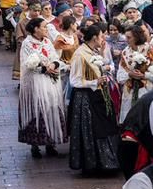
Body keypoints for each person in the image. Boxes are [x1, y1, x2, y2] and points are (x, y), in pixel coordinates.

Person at [66, 20, 120, 173]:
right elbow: (74, 80)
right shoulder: (80, 55)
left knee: (104, 125)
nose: (104, 39)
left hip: (97, 95)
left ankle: (107, 161)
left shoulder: (92, 51)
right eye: (102, 36)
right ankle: (93, 164)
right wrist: (95, 82)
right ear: (95, 38)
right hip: (85, 98)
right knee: (92, 129)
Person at [17, 17, 66, 158]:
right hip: (36, 83)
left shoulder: (47, 41)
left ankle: (51, 143)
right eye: (44, 27)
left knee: (51, 109)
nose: (46, 29)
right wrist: (44, 68)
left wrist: (53, 65)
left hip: (50, 83)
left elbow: (55, 57)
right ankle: (35, 144)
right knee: (37, 111)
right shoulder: (27, 44)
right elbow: (28, 64)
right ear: (35, 28)